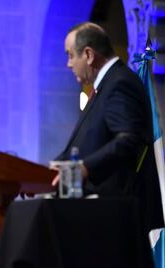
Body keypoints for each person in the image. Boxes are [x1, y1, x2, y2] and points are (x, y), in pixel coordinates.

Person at [55, 22, 163, 231]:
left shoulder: (120, 83)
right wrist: (42, 173)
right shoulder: (105, 86)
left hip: (116, 216)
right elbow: (87, 143)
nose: (68, 64)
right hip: (102, 214)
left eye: (70, 55)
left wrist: (84, 168)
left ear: (88, 54)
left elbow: (128, 140)